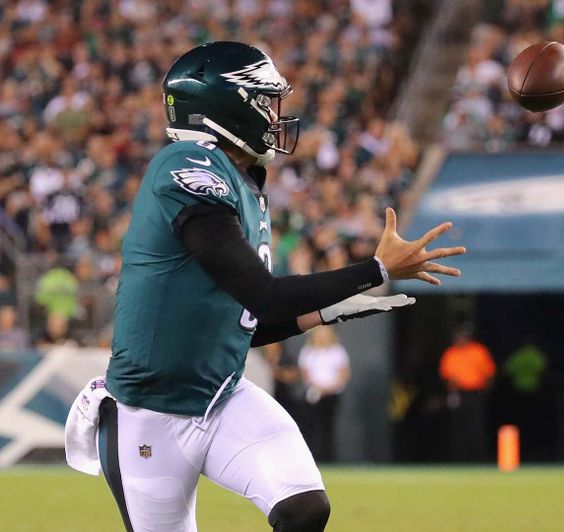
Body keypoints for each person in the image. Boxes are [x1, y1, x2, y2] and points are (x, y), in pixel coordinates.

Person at [65, 41, 465, 532]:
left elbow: (241, 324)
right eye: (264, 101)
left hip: (220, 394)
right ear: (225, 106)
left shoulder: (244, 182)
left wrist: (327, 312)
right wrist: (376, 269)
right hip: (149, 413)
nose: (275, 115)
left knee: (304, 507)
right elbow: (264, 296)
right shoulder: (186, 165)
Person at [439, 324, 495, 462]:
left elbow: (490, 373)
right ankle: (460, 458)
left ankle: (479, 459)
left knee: (477, 426)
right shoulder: (450, 353)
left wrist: (485, 390)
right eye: (458, 336)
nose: (460, 339)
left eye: (463, 336)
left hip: (476, 393)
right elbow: (445, 375)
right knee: (458, 427)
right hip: (458, 393)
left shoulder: (479, 351)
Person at [298, 325, 351, 461]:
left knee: (328, 427)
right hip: (314, 395)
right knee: (311, 427)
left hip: (332, 395)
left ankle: (328, 458)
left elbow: (344, 374)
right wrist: (318, 388)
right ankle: (312, 459)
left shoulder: (337, 351)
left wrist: (328, 389)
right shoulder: (308, 351)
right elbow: (305, 374)